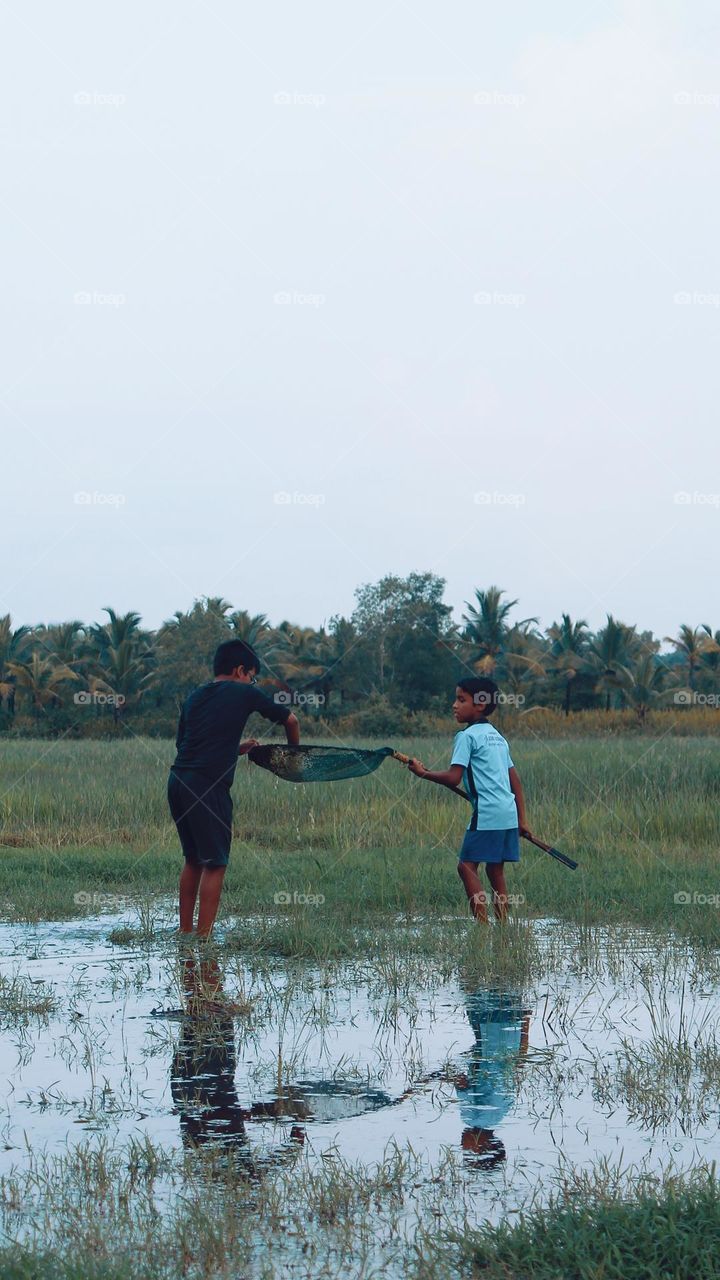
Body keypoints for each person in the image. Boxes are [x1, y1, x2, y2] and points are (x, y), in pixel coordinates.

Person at [168, 639, 300, 939]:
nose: (252, 683)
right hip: (207, 786)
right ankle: (204, 938)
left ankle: (185, 932)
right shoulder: (243, 692)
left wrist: (238, 748)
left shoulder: (195, 696)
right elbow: (291, 719)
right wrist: (295, 756)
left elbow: (185, 746)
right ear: (240, 670)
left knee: (193, 859)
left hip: (178, 782)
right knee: (216, 863)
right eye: (251, 676)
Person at [408, 676, 530, 922]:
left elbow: (454, 777)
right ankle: (503, 926)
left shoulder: (467, 736)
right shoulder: (496, 736)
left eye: (461, 699)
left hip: (487, 813)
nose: (454, 705)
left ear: (480, 705)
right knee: (495, 870)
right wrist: (522, 819)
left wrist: (423, 773)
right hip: (507, 813)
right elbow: (515, 781)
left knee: (466, 867)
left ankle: (483, 928)